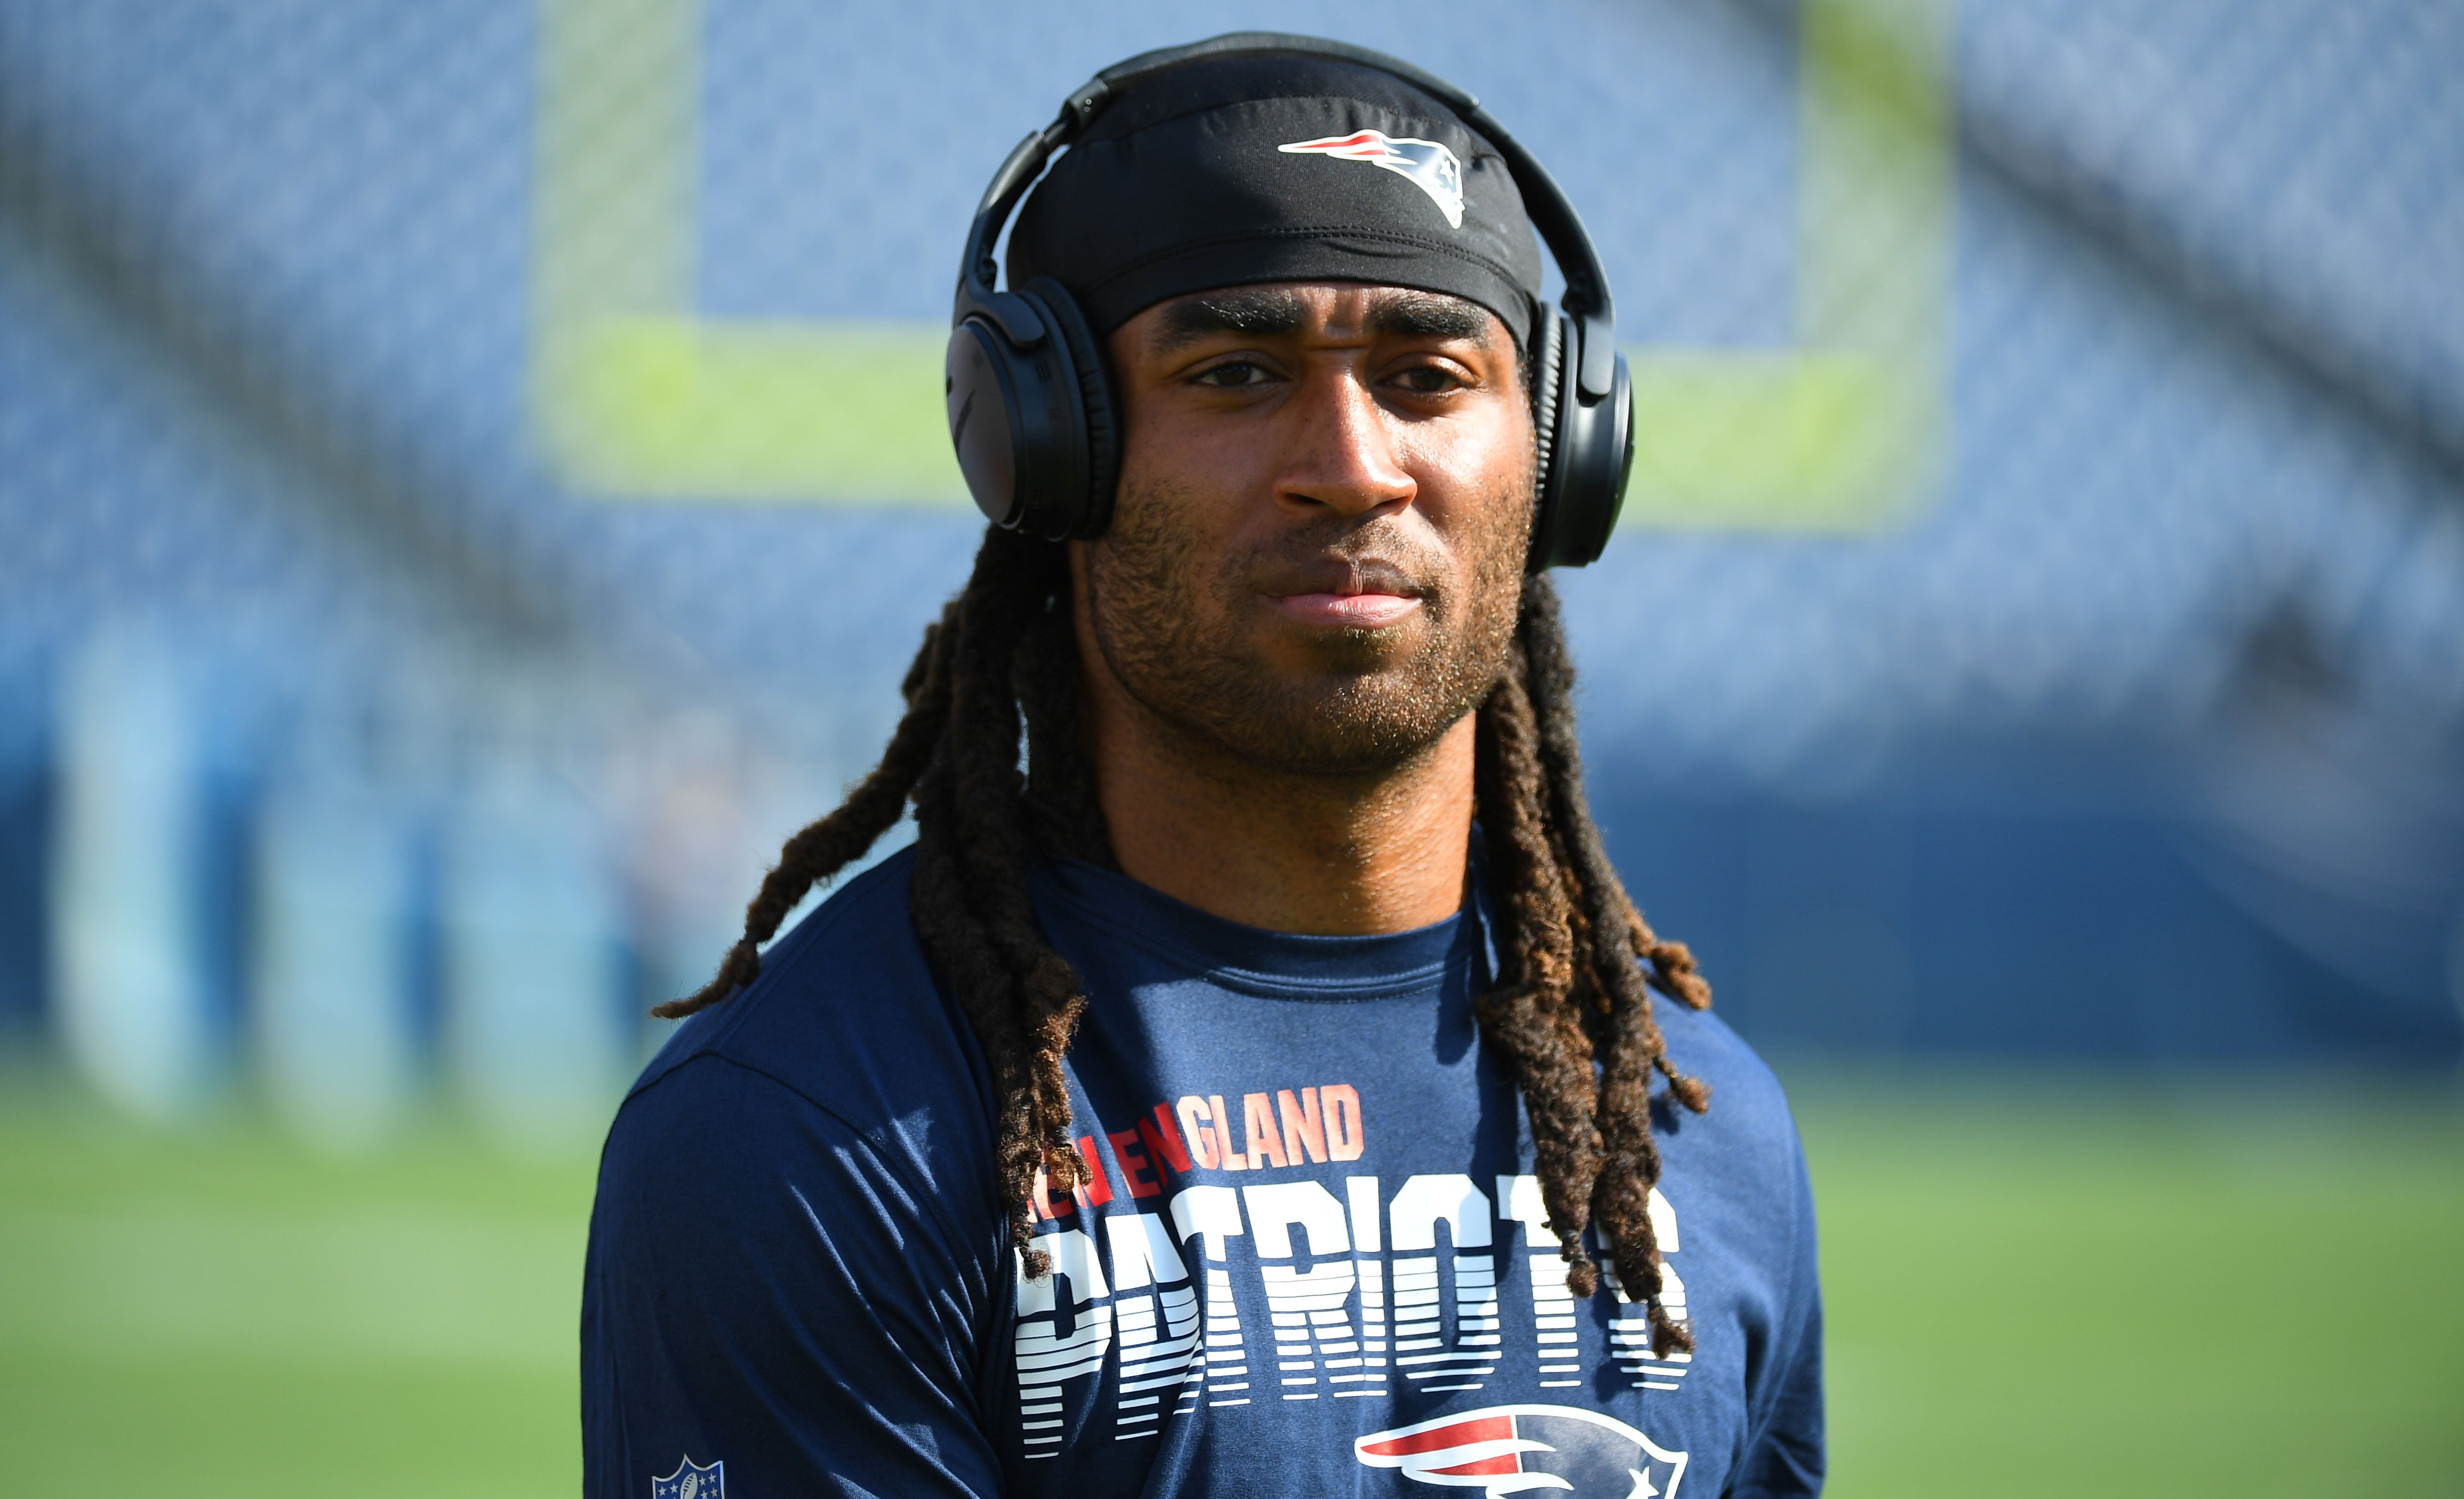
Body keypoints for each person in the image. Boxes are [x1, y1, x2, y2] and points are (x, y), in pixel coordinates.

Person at [583, 35, 1822, 1499]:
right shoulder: (812, 1129)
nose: (1353, 464)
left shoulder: (1697, 1128)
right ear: (1049, 448)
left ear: (1561, 453)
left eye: (1429, 374)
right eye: (1237, 372)